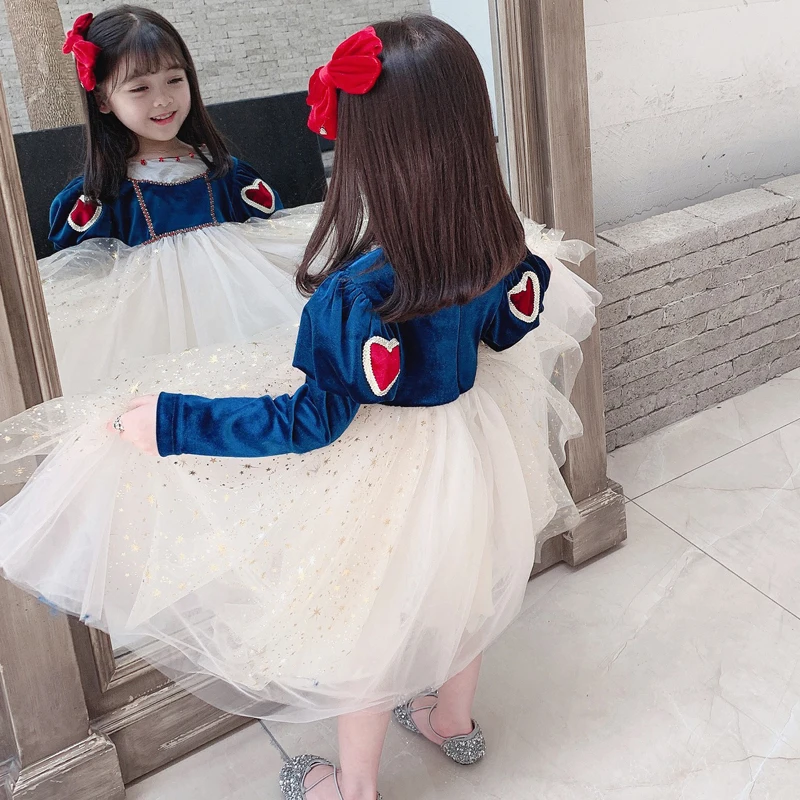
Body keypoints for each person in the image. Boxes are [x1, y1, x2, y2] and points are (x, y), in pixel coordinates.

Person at [0, 17, 599, 800]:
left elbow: (308, 423)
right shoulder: (499, 244)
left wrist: (173, 421)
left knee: (369, 626)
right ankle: (452, 720)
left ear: (369, 151)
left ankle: (353, 787)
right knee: (465, 583)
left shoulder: (354, 297)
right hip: (476, 445)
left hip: (390, 470)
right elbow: (505, 329)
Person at [44, 6, 313, 393]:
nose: (162, 100)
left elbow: (270, 231)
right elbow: (87, 280)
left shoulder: (227, 176)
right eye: (140, 88)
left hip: (242, 311)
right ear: (102, 99)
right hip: (146, 337)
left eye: (174, 79)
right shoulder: (101, 197)